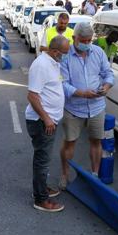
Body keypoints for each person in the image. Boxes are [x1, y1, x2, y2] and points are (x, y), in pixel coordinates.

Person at [59, 22, 114, 189]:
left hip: (97, 107)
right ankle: (65, 174)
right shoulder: (65, 56)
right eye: (83, 40)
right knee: (70, 142)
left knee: (96, 142)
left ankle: (95, 175)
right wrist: (82, 93)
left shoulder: (98, 52)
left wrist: (106, 86)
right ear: (74, 38)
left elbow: (108, 73)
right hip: (74, 108)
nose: (87, 43)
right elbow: (62, 83)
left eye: (89, 40)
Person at [25, 35, 71, 212]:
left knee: (43, 158)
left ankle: (41, 189)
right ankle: (40, 199)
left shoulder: (53, 62)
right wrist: (46, 118)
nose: (65, 56)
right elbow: (32, 96)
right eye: (64, 53)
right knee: (42, 160)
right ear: (54, 51)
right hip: (42, 122)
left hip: (49, 120)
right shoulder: (41, 65)